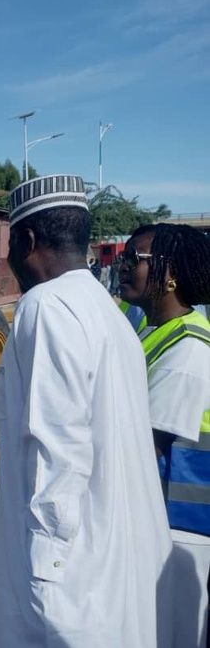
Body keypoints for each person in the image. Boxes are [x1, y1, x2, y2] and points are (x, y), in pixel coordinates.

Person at [0, 175, 172, 647]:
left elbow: (59, 445)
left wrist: (49, 570)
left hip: (73, 568)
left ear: (25, 240)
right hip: (112, 551)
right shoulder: (106, 310)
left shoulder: (46, 305)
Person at [119, 223, 210, 648]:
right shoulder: (154, 330)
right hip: (157, 516)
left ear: (169, 272)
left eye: (133, 259)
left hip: (180, 528)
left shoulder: (189, 349)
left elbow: (143, 448)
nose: (121, 266)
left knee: (169, 635)